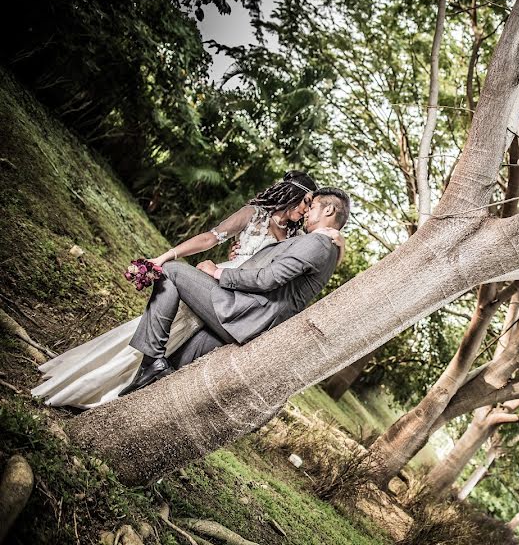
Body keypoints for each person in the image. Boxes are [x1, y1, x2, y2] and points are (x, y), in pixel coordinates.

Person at [33, 172, 342, 407]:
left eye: (311, 206)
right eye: (305, 202)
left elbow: (282, 270)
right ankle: (136, 368)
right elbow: (211, 238)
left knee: (184, 355)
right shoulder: (255, 215)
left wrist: (337, 240)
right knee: (165, 315)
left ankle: (131, 392)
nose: (305, 210)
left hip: (235, 298)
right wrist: (166, 256)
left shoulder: (300, 237)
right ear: (291, 195)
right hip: (221, 288)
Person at [119, 186, 351, 396]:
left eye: (312, 207)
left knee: (171, 271)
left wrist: (217, 272)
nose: (307, 212)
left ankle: (151, 360)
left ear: (329, 210)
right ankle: (144, 390)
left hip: (242, 311)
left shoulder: (317, 243)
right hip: (249, 325)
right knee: (179, 363)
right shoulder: (327, 247)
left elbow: (268, 278)